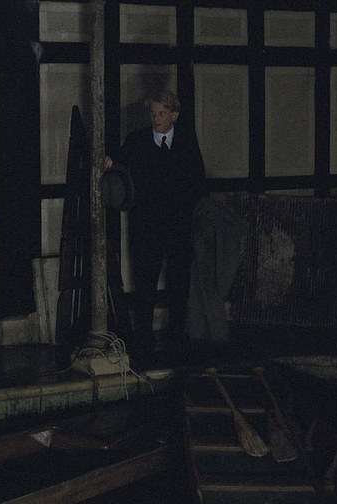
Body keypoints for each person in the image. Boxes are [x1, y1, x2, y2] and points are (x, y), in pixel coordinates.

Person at [104, 91, 206, 367]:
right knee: (145, 283)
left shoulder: (186, 141)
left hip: (178, 227)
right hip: (146, 227)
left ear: (174, 115)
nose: (156, 118)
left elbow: (198, 179)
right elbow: (118, 165)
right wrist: (110, 162)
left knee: (178, 282)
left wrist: (184, 210)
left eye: (162, 113)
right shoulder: (137, 141)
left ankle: (177, 336)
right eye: (153, 113)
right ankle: (143, 340)